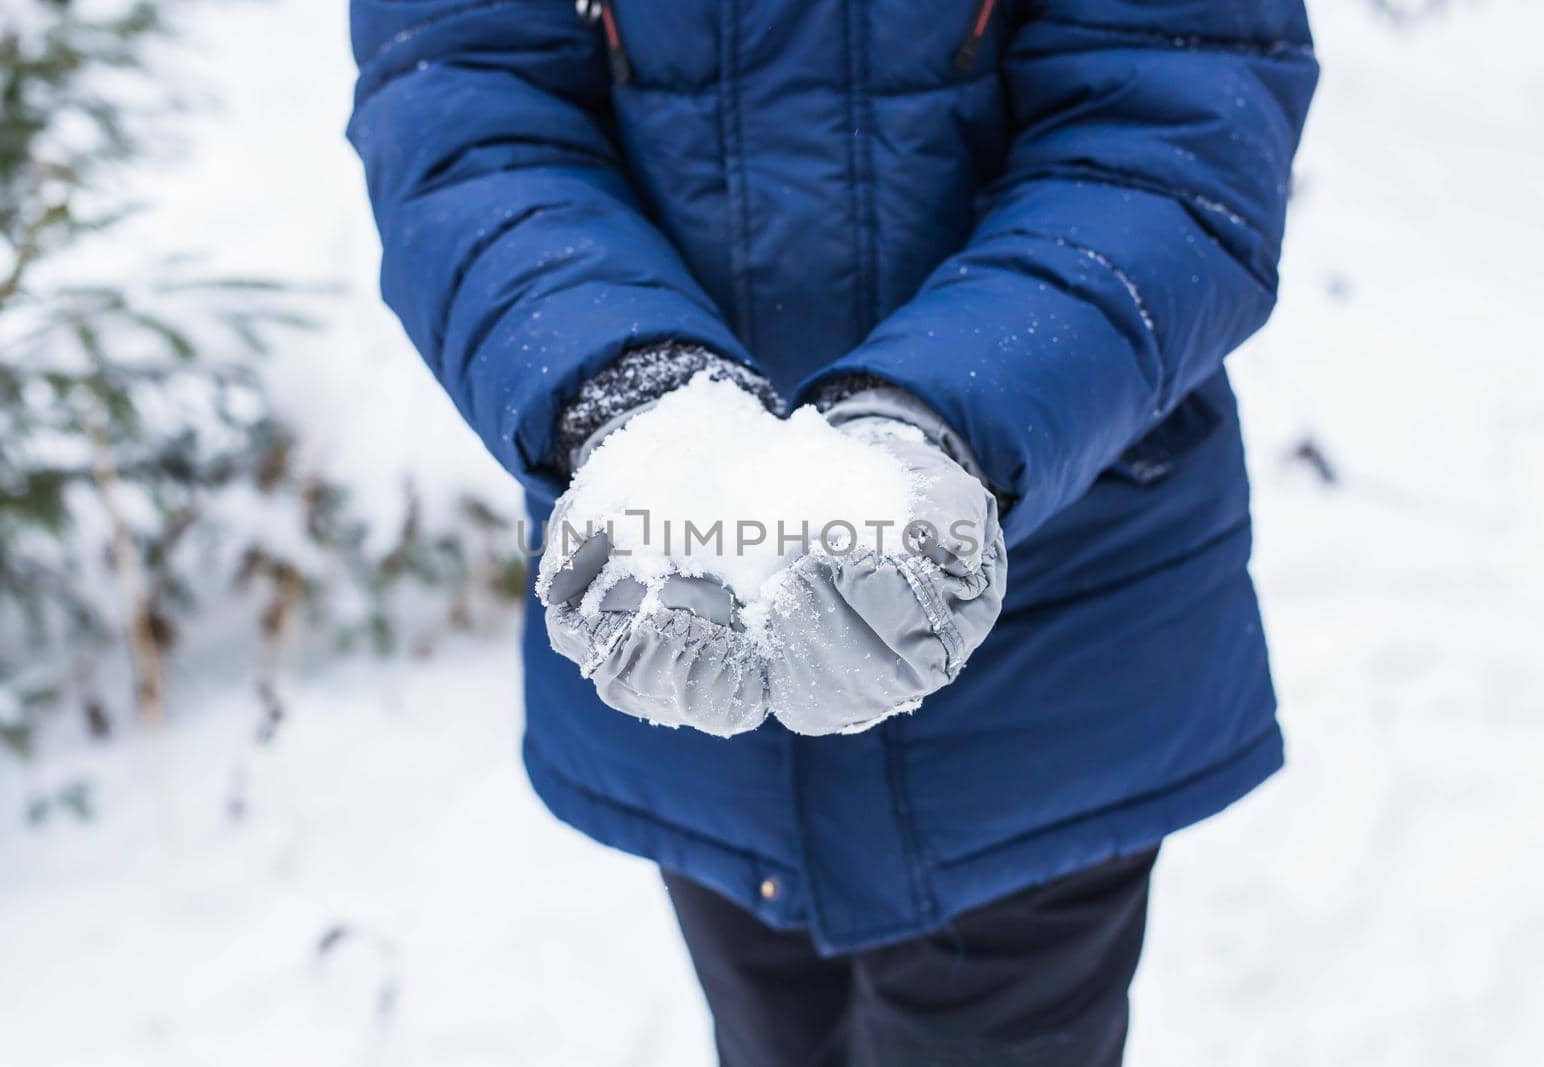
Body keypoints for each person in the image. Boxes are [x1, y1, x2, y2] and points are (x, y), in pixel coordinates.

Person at [347, 1, 1317, 1062]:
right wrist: (625, 398)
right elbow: (464, 115)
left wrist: (939, 423)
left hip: (1048, 644)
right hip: (685, 625)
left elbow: (1174, 123)